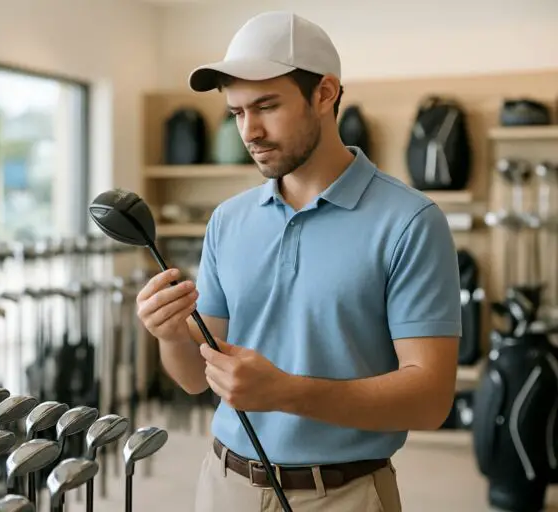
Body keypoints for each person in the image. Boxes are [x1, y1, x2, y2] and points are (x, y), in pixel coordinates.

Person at [135, 10, 461, 512]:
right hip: (224, 484)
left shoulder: (411, 221)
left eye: (267, 106)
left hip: (346, 495)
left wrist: (286, 392)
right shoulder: (228, 220)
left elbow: (431, 397)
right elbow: (195, 377)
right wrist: (169, 334)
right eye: (237, 113)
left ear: (325, 93)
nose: (250, 131)